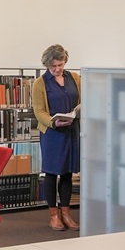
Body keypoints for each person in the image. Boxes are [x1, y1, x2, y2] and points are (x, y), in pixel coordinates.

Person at [32, 44, 81, 231]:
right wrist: (53, 123)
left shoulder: (74, 78)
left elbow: (81, 101)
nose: (57, 69)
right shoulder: (40, 83)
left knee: (68, 172)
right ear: (47, 65)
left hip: (71, 131)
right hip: (52, 133)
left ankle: (66, 214)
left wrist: (77, 113)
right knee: (52, 173)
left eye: (60, 65)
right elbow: (39, 111)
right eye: (53, 66)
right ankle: (54, 216)